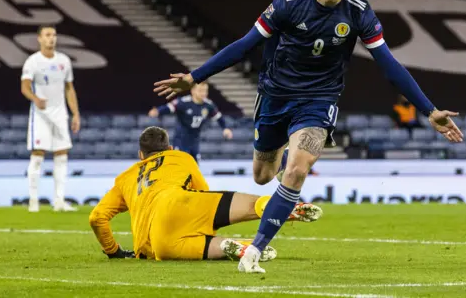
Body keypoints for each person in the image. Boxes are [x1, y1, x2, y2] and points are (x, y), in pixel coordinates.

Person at [154, 0, 463, 273]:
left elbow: (389, 65)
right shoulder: (290, 2)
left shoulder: (359, 12)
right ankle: (283, 165)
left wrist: (429, 109)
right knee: (262, 176)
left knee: (298, 169)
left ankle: (254, 250)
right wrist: (196, 76)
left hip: (319, 99)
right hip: (276, 96)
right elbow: (246, 45)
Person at [89, 126, 322, 261]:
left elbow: (96, 218)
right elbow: (203, 192)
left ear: (141, 155)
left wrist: (114, 252)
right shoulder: (181, 157)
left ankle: (240, 247)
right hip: (181, 201)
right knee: (253, 206)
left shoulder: (125, 178)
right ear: (169, 149)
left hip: (156, 244)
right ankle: (280, 207)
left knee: (208, 245)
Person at [20, 25, 80, 212]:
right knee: (38, 155)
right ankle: (33, 200)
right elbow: (25, 87)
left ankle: (59, 200)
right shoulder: (33, 62)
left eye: (53, 35)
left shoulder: (64, 61)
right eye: (47, 35)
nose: (51, 38)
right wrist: (35, 99)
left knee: (61, 155)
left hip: (60, 113)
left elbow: (69, 88)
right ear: (39, 38)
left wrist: (75, 113)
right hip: (40, 115)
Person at [148, 82, 233, 161]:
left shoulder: (209, 105)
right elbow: (169, 107)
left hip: (195, 141)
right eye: (200, 90)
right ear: (193, 91)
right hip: (181, 140)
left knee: (194, 167)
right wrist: (158, 111)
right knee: (180, 167)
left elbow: (219, 117)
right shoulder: (184, 102)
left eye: (205, 91)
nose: (203, 93)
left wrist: (225, 128)